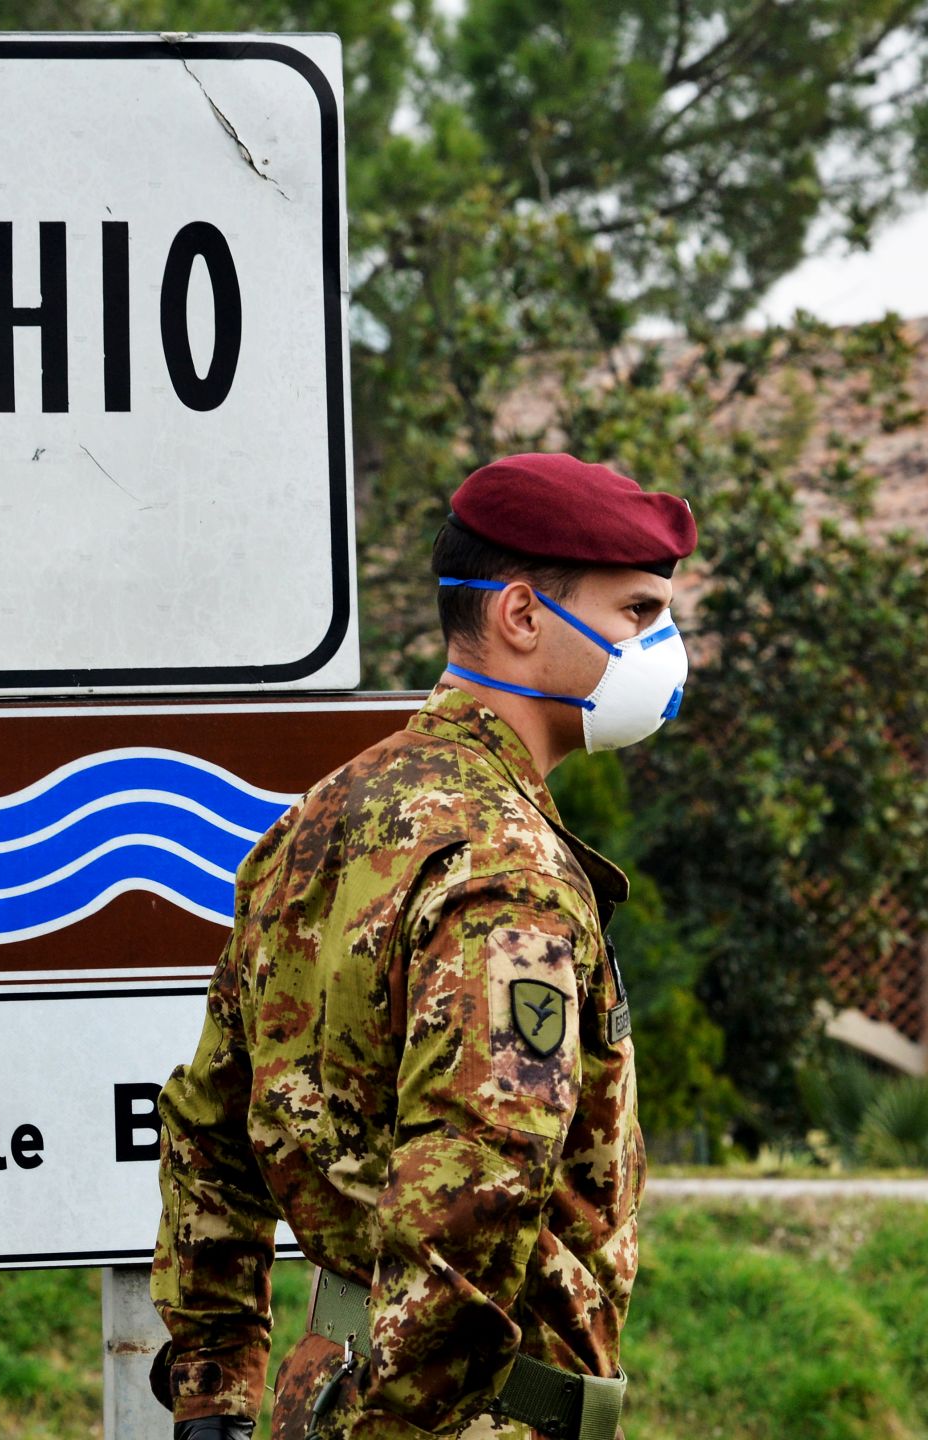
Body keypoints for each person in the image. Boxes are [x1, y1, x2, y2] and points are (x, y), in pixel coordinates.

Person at [149, 454, 695, 1440]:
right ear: (523, 616)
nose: (661, 646)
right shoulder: (506, 870)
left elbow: (206, 1126)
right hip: (457, 1419)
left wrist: (214, 1396)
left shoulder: (316, 822)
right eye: (638, 613)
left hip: (323, 1392)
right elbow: (473, 1192)